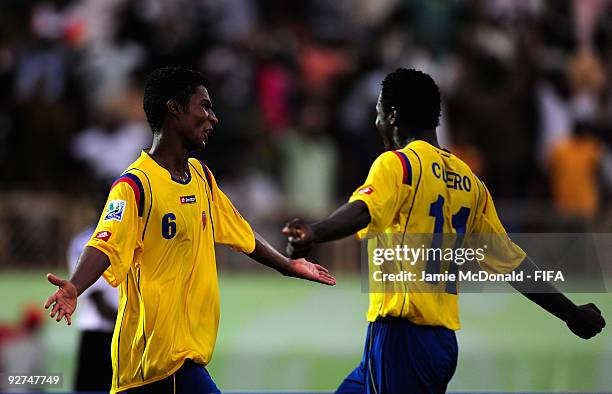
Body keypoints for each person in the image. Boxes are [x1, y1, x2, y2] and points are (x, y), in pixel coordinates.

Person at [282, 68, 606, 393]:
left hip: (402, 335)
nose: (376, 123)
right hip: (438, 343)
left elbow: (363, 210)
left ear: (392, 116)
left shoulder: (398, 164)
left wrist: (313, 232)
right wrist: (569, 312)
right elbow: (512, 263)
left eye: (379, 113)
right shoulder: (471, 183)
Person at [44, 66, 336, 394]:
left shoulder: (200, 177)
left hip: (181, 361)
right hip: (156, 363)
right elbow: (104, 243)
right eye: (205, 106)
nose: (213, 118)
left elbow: (241, 232)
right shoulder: (135, 185)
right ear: (175, 108)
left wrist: (288, 265)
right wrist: (75, 287)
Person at [67, 225, 118, 392]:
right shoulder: (84, 241)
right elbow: (97, 296)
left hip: (125, 330)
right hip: (98, 331)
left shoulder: (135, 233)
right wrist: (128, 322)